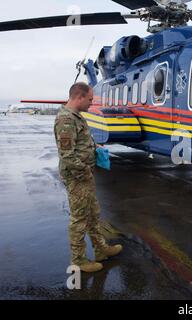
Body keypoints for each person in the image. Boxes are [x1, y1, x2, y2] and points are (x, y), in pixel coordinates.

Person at [54, 82, 122, 273]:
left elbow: (80, 143)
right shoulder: (66, 119)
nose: (91, 104)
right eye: (90, 99)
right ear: (79, 97)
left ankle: (101, 249)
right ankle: (79, 260)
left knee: (93, 215)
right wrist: (84, 171)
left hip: (85, 175)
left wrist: (95, 149)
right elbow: (67, 155)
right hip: (77, 178)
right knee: (79, 220)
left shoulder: (76, 117)